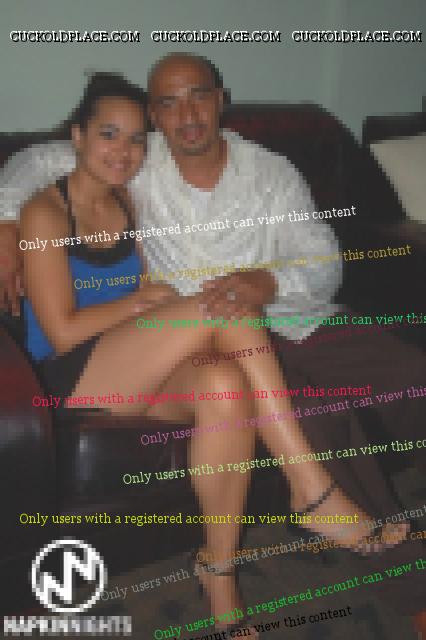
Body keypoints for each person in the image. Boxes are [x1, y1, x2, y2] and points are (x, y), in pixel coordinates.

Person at [1, 56, 424, 630]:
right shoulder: (77, 194)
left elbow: (319, 254)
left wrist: (261, 283)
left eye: (197, 96)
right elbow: (39, 168)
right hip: (87, 367)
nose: (184, 115)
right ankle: (313, 488)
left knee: (228, 386)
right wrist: (5, 222)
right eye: (166, 104)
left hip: (227, 336)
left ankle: (220, 580)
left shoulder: (155, 186)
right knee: (228, 312)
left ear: (220, 99)